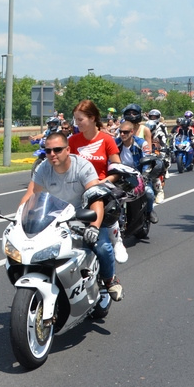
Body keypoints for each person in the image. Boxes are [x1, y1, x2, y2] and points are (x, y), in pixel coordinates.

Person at [20, 131, 123, 301]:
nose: (52, 154)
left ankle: (110, 280)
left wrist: (94, 227)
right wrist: (19, 220)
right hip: (56, 219)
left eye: (57, 150)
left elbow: (95, 197)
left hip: (84, 215)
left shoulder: (82, 166)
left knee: (102, 246)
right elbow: (31, 196)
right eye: (48, 151)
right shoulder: (43, 168)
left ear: (68, 150)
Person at [67, 100, 126, 266]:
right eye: (75, 120)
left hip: (101, 186)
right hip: (78, 188)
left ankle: (116, 239)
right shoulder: (72, 141)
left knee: (108, 208)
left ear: (92, 118)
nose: (77, 124)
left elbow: (117, 168)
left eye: (80, 120)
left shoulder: (107, 140)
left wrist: (103, 182)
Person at [116, 119, 158, 224]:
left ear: (132, 132)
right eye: (120, 131)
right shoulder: (115, 143)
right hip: (119, 175)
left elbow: (147, 160)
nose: (122, 134)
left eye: (125, 132)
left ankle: (149, 211)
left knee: (148, 192)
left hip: (137, 176)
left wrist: (144, 175)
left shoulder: (141, 143)